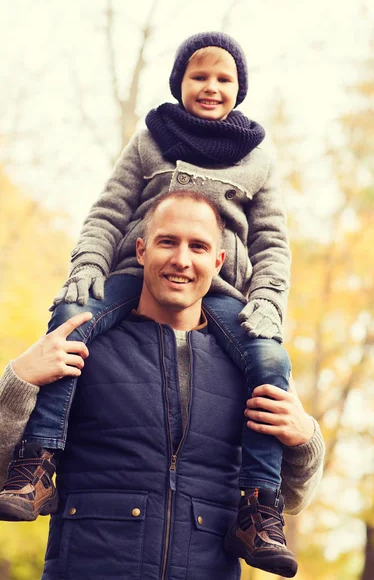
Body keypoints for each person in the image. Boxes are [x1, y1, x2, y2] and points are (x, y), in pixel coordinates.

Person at [2, 31, 292, 573]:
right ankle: (37, 464)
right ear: (179, 82)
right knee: (69, 319)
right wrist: (21, 375)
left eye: (223, 78)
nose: (210, 87)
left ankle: (259, 510)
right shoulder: (151, 138)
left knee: (273, 360)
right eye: (198, 76)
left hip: (233, 303)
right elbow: (107, 212)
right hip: (125, 281)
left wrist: (270, 304)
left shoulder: (258, 153)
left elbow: (273, 241)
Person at [0, 193, 324, 579]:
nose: (182, 260)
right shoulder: (80, 345)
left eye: (199, 246)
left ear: (217, 262)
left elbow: (293, 499)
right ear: (141, 250)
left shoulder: (249, 365)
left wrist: (306, 439)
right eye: (167, 241)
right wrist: (17, 381)